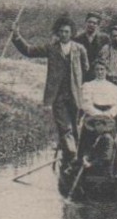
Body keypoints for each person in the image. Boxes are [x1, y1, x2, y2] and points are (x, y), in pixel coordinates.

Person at [11, 15, 91, 157]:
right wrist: (17, 36)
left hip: (76, 95)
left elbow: (86, 70)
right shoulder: (51, 48)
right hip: (57, 95)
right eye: (61, 31)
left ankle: (75, 160)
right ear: (57, 32)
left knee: (76, 127)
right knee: (65, 127)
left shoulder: (80, 49)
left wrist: (83, 88)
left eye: (67, 31)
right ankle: (71, 155)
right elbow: (29, 51)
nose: (64, 34)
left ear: (72, 32)